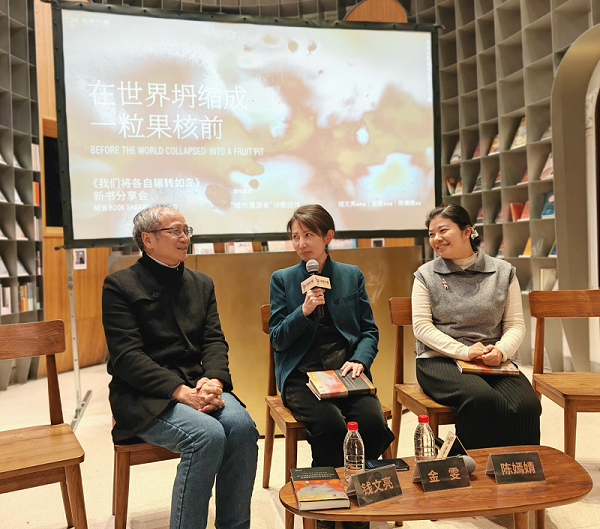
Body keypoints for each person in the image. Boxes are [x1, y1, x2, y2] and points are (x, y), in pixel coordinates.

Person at [102, 204, 258, 529]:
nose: (184, 237)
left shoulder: (201, 283)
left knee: (243, 427)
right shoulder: (119, 285)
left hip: (197, 384)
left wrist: (214, 381)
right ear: (148, 239)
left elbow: (214, 341)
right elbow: (127, 357)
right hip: (144, 395)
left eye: (186, 230)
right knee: (207, 435)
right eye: (175, 231)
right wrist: (180, 391)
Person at [269, 205, 394, 529]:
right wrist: (303, 311)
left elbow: (369, 331)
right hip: (301, 374)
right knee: (331, 426)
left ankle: (354, 500)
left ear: (328, 237)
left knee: (373, 424)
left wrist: (360, 360)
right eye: (295, 236)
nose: (301, 244)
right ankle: (328, 510)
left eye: (308, 235)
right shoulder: (282, 279)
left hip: (346, 371)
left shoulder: (351, 275)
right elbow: (278, 338)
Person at [412, 204, 541, 449]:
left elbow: (514, 324)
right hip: (439, 360)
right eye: (431, 234)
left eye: (443, 230)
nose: (436, 238)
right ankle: (472, 465)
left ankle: (515, 466)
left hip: (490, 358)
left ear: (466, 231)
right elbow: (422, 327)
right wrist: (464, 351)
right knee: (480, 399)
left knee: (528, 404)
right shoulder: (426, 274)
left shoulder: (503, 272)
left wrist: (501, 351)